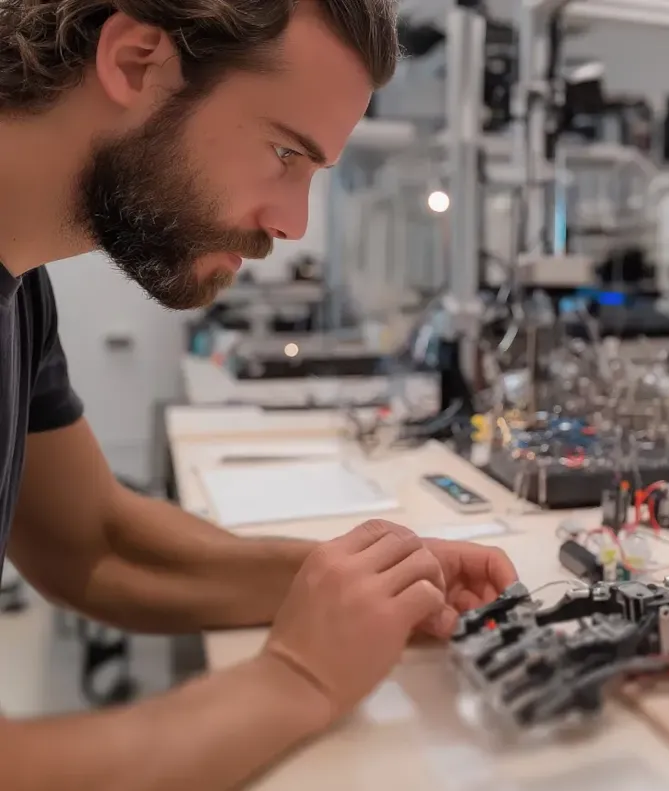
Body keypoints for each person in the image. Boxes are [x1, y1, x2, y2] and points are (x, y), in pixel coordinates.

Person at [0, 2, 520, 789]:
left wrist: (353, 588)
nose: (292, 222)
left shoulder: (21, 289)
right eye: (284, 153)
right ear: (137, 62)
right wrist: (295, 679)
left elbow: (92, 542)